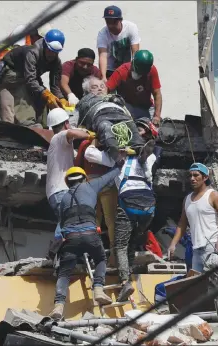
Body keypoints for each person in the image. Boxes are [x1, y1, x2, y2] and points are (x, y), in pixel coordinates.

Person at [84, 117, 161, 301]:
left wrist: (99, 138)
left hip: (129, 201)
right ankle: (128, 278)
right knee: (131, 244)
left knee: (120, 245)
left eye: (141, 129)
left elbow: (89, 154)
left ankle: (125, 281)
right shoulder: (150, 157)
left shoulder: (118, 158)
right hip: (149, 206)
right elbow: (149, 156)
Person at [49, 163, 124, 320]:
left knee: (64, 273)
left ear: (68, 182)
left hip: (70, 239)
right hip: (91, 234)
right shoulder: (90, 186)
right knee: (101, 259)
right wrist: (120, 163)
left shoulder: (64, 199)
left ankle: (58, 305)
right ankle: (98, 288)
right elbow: (109, 177)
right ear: (84, 178)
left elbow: (61, 225)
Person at [46, 108, 96, 251]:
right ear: (66, 124)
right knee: (69, 218)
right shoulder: (60, 137)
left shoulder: (59, 146)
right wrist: (90, 134)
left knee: (67, 220)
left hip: (56, 192)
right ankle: (56, 248)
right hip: (60, 190)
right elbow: (72, 133)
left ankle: (61, 250)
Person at [0, 29, 68, 127]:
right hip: (9, 74)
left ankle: (43, 125)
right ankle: (27, 124)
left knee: (42, 96)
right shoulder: (32, 53)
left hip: (28, 76)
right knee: (12, 107)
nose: (52, 54)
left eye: (56, 52)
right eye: (50, 50)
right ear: (45, 44)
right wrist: (45, 94)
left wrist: (61, 99)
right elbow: (30, 80)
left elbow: (54, 86)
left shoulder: (56, 62)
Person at [168, 163, 218, 273]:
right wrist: (173, 244)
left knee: (214, 284)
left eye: (196, 175)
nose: (192, 178)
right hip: (196, 249)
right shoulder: (187, 199)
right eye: (190, 175)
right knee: (198, 285)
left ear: (205, 177)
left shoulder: (213, 195)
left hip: (212, 247)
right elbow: (182, 224)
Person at [77, 76, 153, 164]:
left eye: (102, 86)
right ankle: (116, 154)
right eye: (94, 87)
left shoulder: (114, 97)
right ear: (87, 91)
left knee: (131, 126)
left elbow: (125, 107)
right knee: (106, 127)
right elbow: (78, 113)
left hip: (120, 114)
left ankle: (141, 149)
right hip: (101, 115)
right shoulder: (86, 99)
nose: (100, 89)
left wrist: (115, 99)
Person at [75, 137, 118, 267]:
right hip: (107, 185)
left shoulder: (86, 144)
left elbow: (77, 164)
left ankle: (96, 253)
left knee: (95, 221)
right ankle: (113, 254)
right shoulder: (111, 143)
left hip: (91, 186)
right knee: (111, 221)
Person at [107, 50, 162, 123]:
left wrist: (157, 116)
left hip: (145, 108)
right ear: (132, 63)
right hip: (127, 107)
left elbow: (157, 94)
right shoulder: (122, 71)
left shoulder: (152, 71)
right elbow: (107, 88)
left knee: (152, 128)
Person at [97, 5, 140, 82]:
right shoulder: (102, 34)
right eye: (108, 22)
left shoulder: (131, 28)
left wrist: (135, 71)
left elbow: (135, 52)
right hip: (110, 70)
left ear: (120, 20)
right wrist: (103, 76)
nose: (111, 25)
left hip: (127, 68)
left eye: (114, 22)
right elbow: (102, 55)